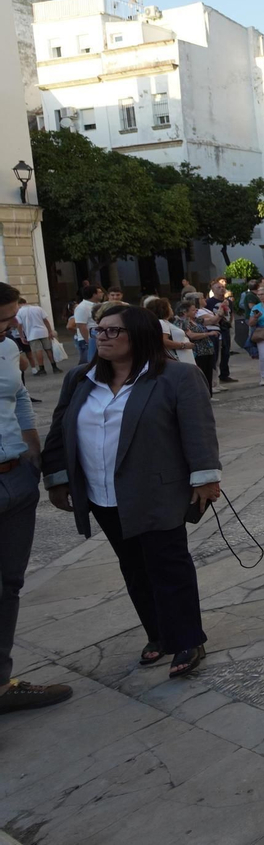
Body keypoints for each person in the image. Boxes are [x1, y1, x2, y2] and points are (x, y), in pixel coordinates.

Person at [42, 304, 221, 679]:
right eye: (98, 331)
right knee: (134, 568)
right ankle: (157, 633)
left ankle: (187, 638)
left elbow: (198, 431)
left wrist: (205, 477)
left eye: (112, 332)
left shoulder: (177, 377)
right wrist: (57, 478)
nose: (102, 338)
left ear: (137, 335)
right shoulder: (80, 378)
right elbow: (59, 431)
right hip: (102, 494)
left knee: (168, 566)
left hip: (156, 492)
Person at [0, 281, 71, 714]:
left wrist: (33, 452)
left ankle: (2, 684)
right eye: (2, 320)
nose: (7, 328)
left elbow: (20, 397)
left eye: (9, 319)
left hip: (15, 478)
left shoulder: (7, 348)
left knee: (9, 585)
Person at [144, 297, 197, 366]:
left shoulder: (165, 322)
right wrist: (184, 345)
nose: (171, 309)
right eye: (170, 307)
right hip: (180, 358)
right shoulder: (162, 323)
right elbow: (164, 341)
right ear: (164, 310)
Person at [14, 297, 58, 376]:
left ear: (18, 304)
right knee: (48, 349)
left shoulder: (19, 312)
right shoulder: (38, 308)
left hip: (31, 334)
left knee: (38, 351)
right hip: (43, 332)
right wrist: (50, 331)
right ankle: (54, 367)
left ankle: (42, 369)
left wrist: (21, 336)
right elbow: (46, 320)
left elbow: (19, 325)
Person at [206, 280, 238, 384]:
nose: (221, 289)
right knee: (217, 353)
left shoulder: (229, 301)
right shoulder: (209, 302)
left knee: (226, 352)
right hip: (215, 328)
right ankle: (216, 376)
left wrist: (230, 323)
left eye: (222, 287)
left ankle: (225, 374)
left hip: (225, 328)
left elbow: (231, 313)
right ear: (213, 290)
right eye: (218, 288)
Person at [70, 283, 103, 365]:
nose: (102, 294)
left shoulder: (98, 305)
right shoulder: (82, 307)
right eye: (100, 292)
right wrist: (88, 341)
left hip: (97, 337)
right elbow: (81, 326)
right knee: (87, 363)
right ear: (94, 294)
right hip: (87, 340)